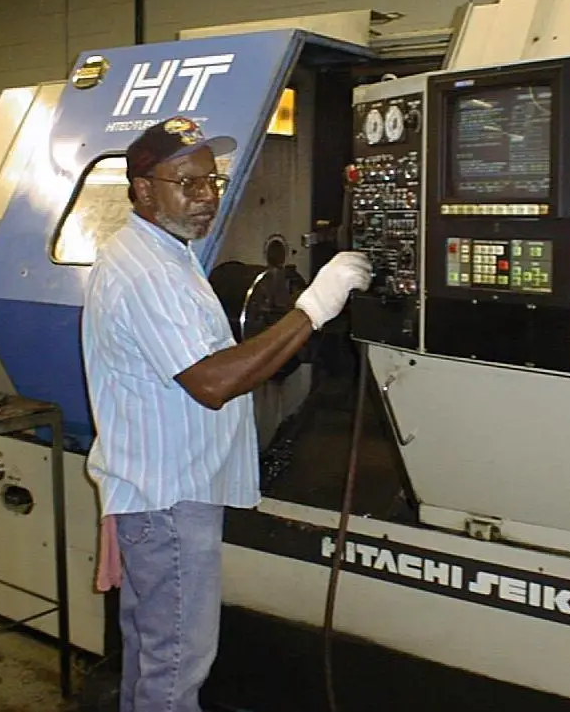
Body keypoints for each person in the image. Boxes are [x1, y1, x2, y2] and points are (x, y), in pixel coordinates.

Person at [80, 115, 371, 712]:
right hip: (167, 499)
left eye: (211, 181)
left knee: (152, 651)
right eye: (186, 183)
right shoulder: (148, 271)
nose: (205, 197)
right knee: (176, 666)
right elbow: (213, 382)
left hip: (159, 489)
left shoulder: (167, 252)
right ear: (141, 188)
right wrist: (314, 307)